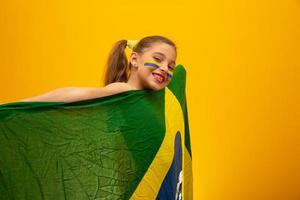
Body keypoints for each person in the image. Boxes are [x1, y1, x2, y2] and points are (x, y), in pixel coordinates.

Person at [19, 35, 177, 103]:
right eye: (157, 59)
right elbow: (76, 94)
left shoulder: (157, 99)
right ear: (135, 59)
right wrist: (27, 103)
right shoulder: (124, 90)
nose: (165, 69)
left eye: (171, 66)